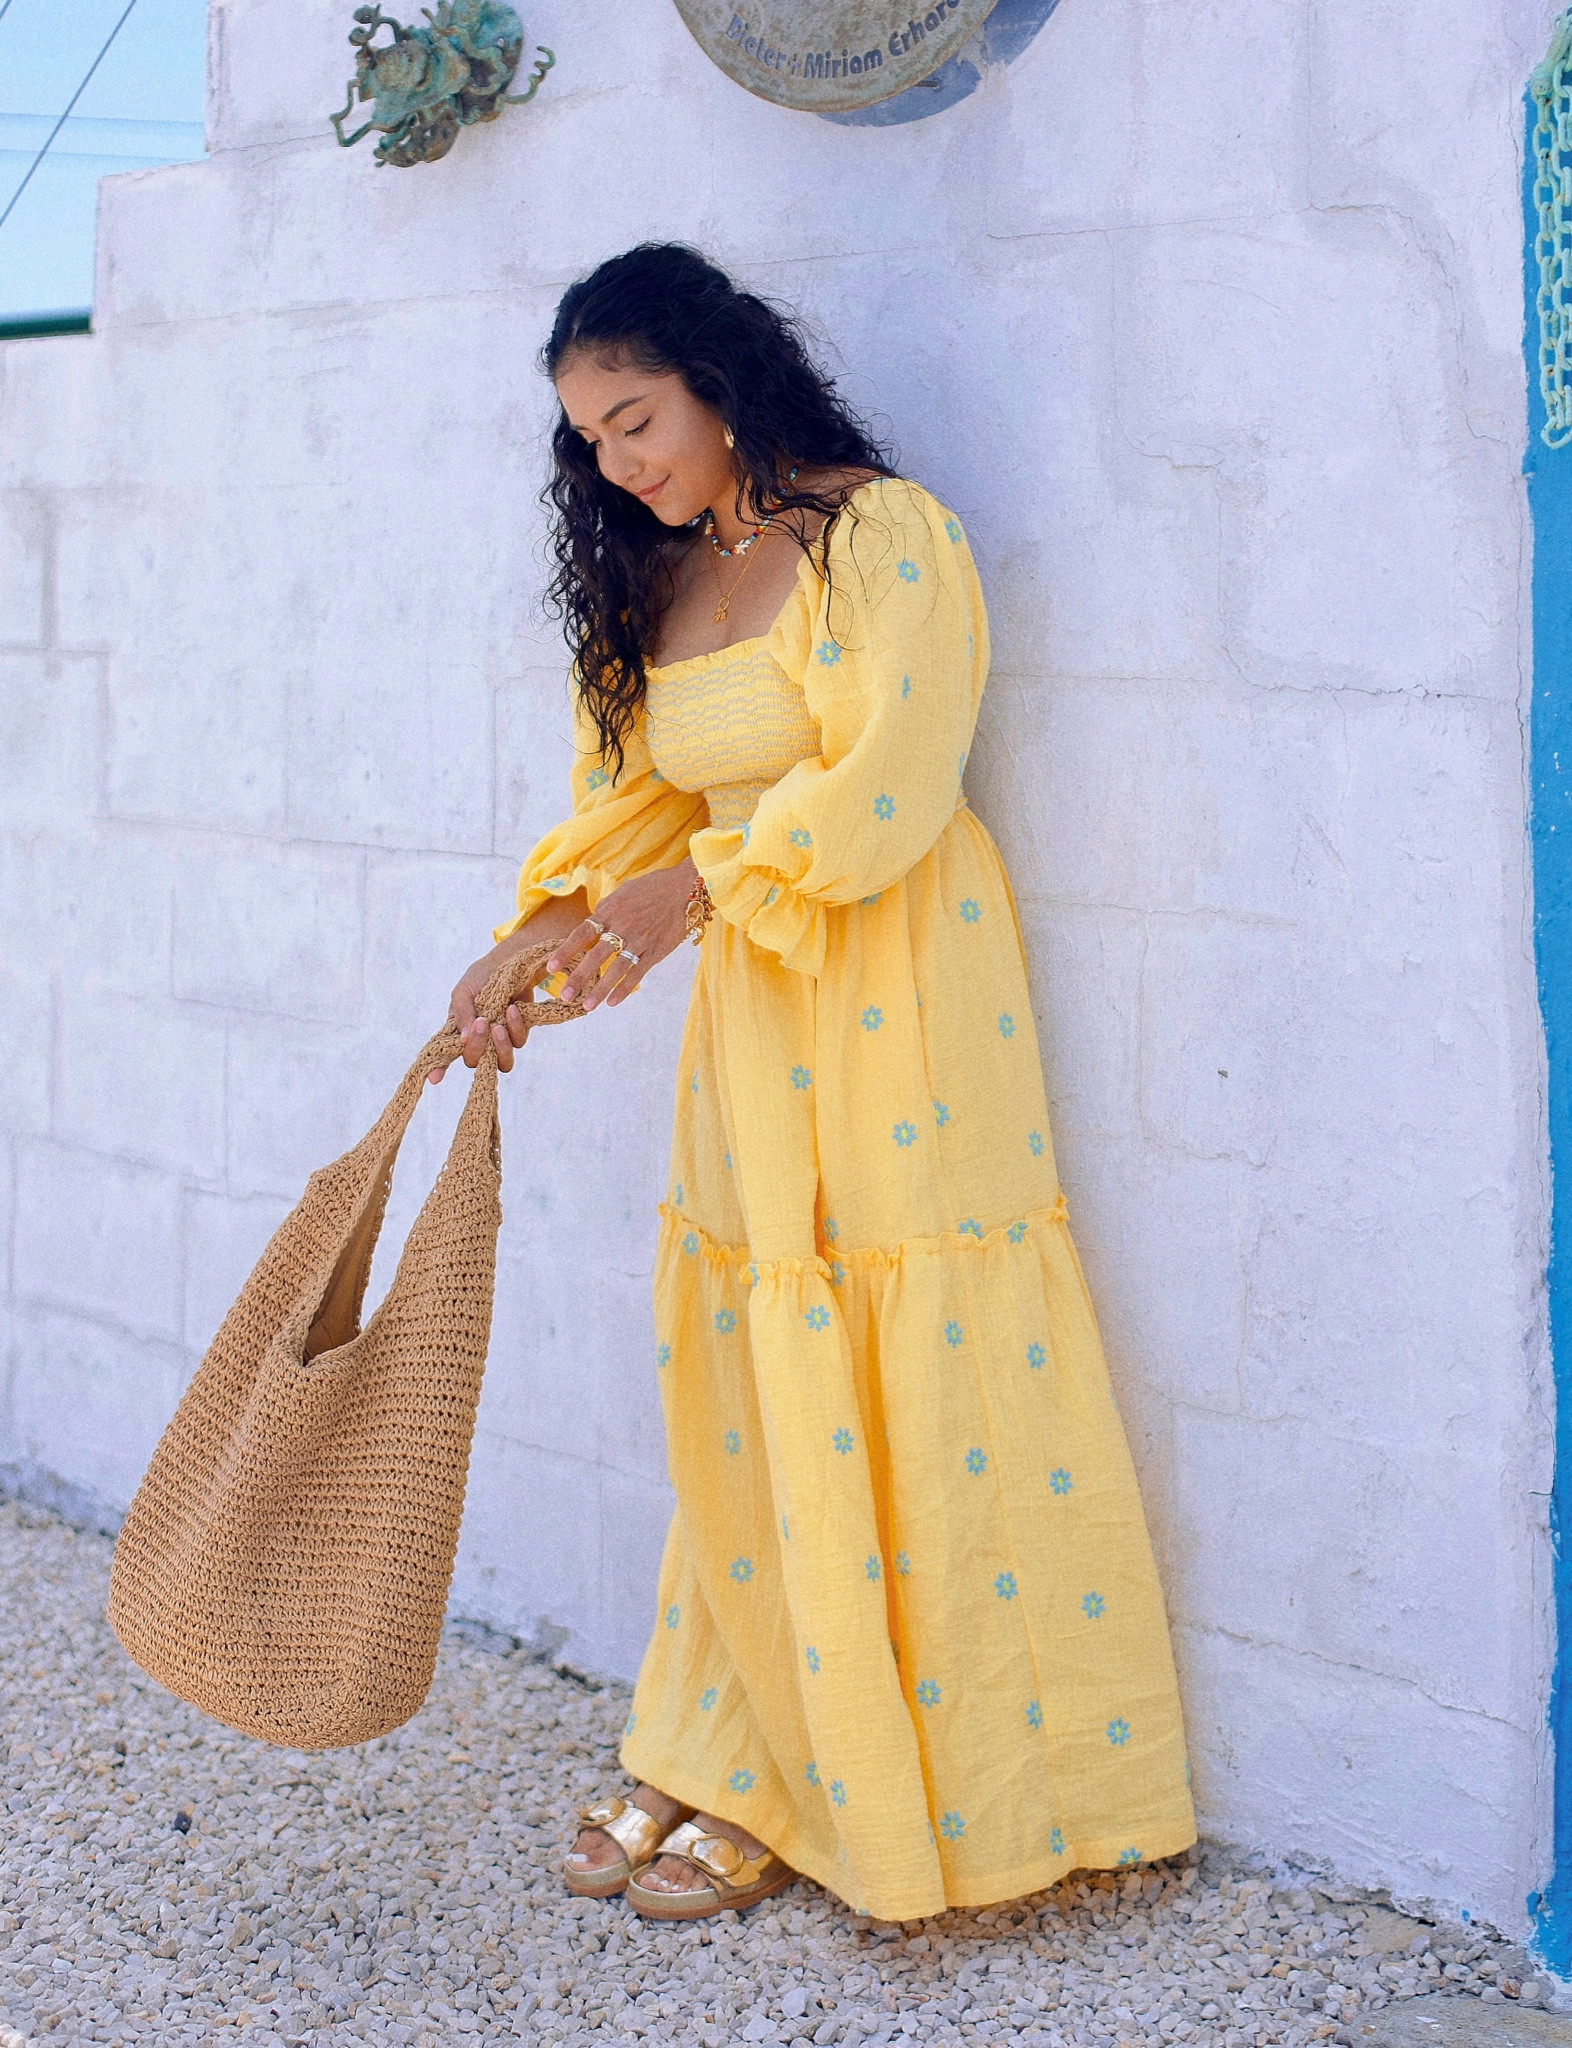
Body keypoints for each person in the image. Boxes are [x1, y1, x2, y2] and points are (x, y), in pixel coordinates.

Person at [432, 243, 1196, 1924]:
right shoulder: (654, 581)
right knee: (758, 1368)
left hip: (905, 998)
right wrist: (537, 939)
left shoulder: (880, 536)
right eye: (594, 444)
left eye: (638, 419)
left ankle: (901, 1783)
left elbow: (893, 783)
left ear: (719, 374)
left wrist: (685, 894)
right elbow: (633, 813)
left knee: (909, 1352)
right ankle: (742, 1745)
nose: (623, 465)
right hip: (755, 1029)